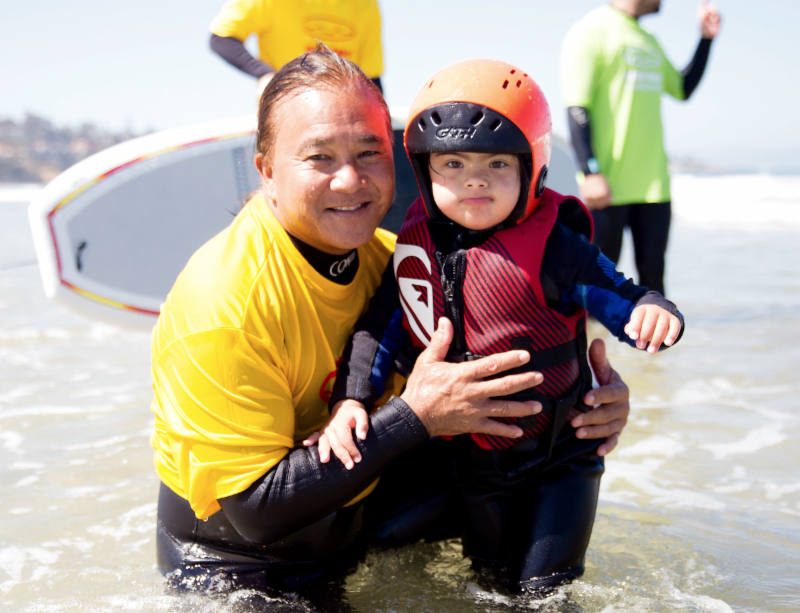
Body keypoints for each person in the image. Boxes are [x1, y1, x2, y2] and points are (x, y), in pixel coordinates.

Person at [151, 47, 632, 594]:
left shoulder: (398, 259)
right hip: (241, 561)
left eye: (369, 152)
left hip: (364, 515)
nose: (351, 180)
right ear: (267, 171)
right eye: (319, 158)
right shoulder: (224, 304)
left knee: (537, 566)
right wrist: (416, 416)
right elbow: (254, 514)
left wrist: (580, 409)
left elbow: (480, 377)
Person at [316, 58, 684, 593]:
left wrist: (652, 314)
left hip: (563, 451)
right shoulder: (415, 247)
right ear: (423, 170)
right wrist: (351, 399)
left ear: (531, 169)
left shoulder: (555, 246)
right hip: (476, 458)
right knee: (487, 584)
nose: (474, 181)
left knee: (545, 589)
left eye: (496, 165)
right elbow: (381, 332)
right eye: (453, 164)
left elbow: (619, 295)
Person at [562, 0, 721, 294]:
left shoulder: (649, 41)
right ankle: (598, 341)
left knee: (654, 280)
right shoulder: (591, 30)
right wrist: (590, 170)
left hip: (654, 185)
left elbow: (683, 89)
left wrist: (706, 39)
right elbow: (576, 107)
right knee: (599, 284)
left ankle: (658, 342)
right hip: (608, 183)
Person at [209, 0, 384, 96]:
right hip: (285, 106)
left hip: (345, 114)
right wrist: (265, 74)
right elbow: (220, 38)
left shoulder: (366, 4)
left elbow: (371, 78)